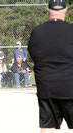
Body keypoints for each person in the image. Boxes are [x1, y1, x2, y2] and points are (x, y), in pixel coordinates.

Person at [28, 0, 73, 132]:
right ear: (65, 10)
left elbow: (33, 55)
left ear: (48, 10)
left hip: (46, 86)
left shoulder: (37, 31)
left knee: (48, 126)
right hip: (70, 85)